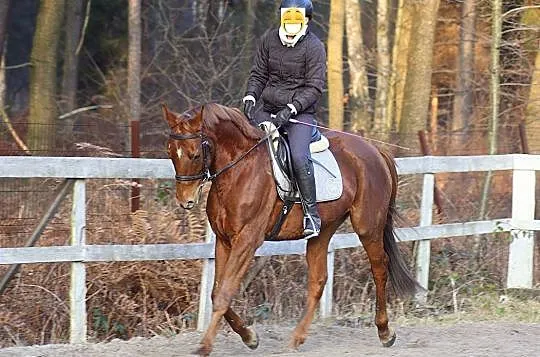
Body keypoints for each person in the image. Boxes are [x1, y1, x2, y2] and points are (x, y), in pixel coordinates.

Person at [242, 0, 325, 239]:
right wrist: (250, 96)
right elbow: (259, 73)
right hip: (268, 109)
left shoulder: (314, 47)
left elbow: (315, 86)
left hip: (300, 115)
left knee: (299, 157)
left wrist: (292, 108)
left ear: (306, 20)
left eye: (295, 20)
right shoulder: (268, 40)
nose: (290, 24)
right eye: (287, 19)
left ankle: (311, 215)